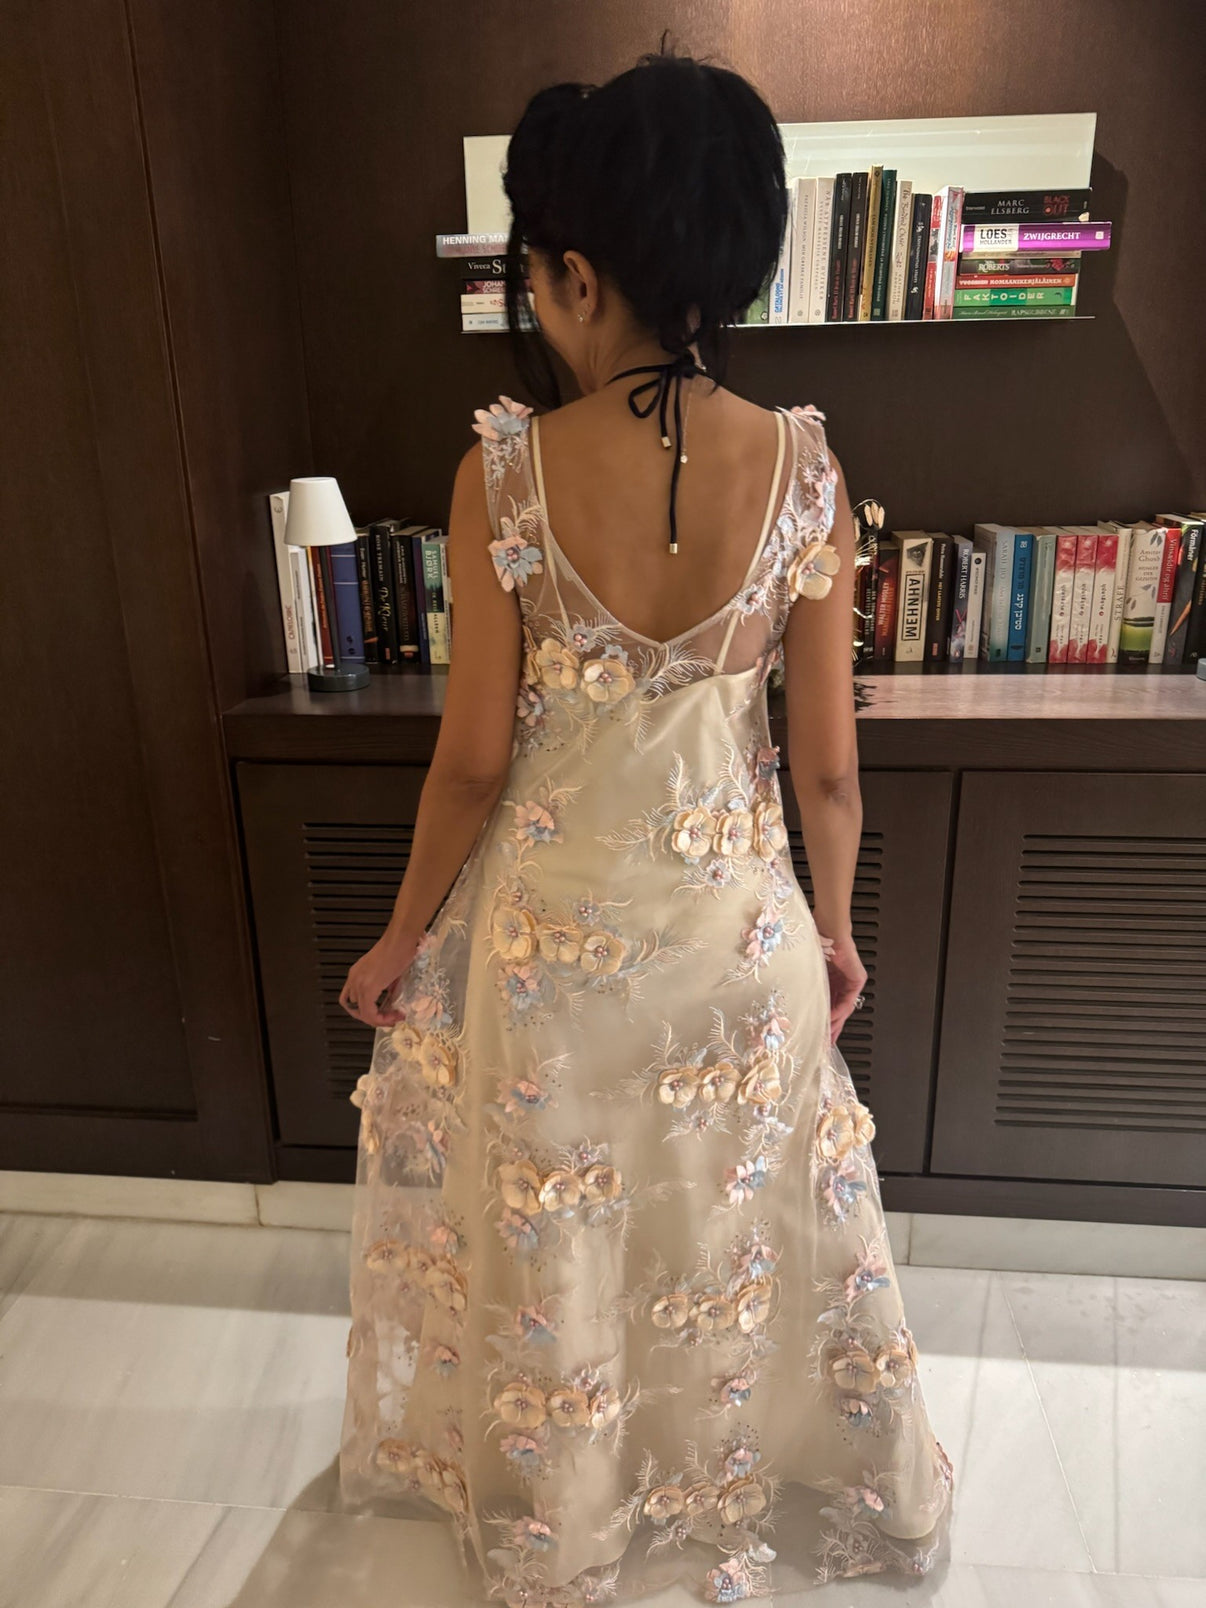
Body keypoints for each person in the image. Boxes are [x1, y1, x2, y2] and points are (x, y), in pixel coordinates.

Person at [336, 43, 954, 1606]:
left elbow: (472, 764)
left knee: (570, 1246)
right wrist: (830, 924)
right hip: (735, 939)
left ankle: (571, 1519)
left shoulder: (504, 471)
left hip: (553, 960)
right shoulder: (805, 465)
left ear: (575, 270)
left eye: (539, 272)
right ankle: (786, 1467)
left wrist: (404, 935)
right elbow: (824, 767)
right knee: (735, 1224)